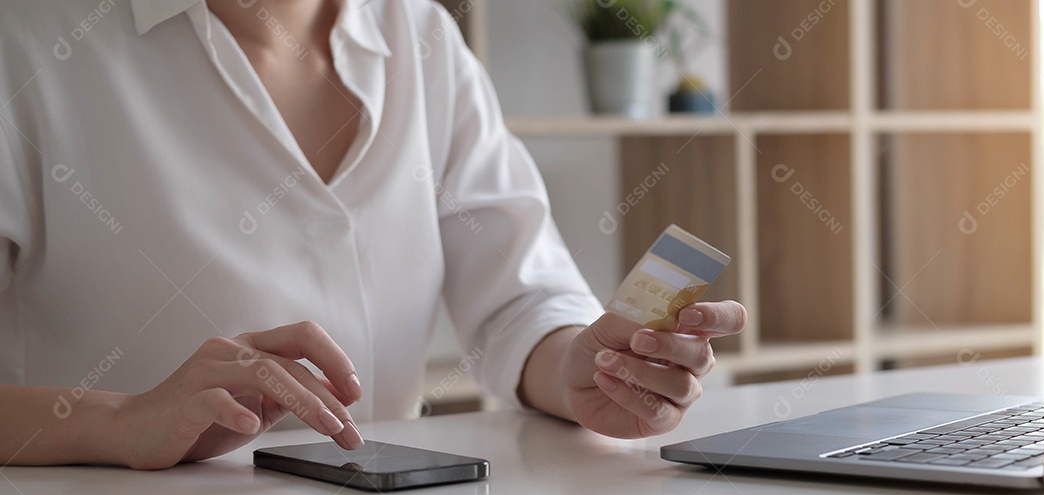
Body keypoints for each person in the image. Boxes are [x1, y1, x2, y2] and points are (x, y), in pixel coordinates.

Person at [0, 0, 746, 470]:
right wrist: (118, 420)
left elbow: (520, 303)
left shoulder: (420, 33)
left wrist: (585, 374)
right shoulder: (27, 42)